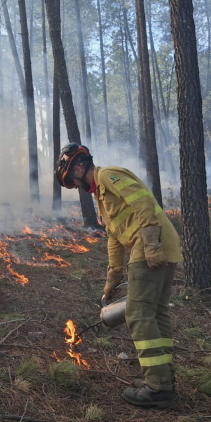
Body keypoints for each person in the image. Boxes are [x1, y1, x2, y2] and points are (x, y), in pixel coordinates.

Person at [54, 143, 182, 408]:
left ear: (78, 168)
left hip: (150, 246)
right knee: (156, 312)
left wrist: (151, 244)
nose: (75, 186)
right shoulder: (101, 195)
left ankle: (157, 387)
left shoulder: (107, 176)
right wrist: (112, 277)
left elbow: (143, 201)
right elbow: (114, 236)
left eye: (71, 181)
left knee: (138, 314)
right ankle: (163, 377)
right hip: (160, 245)